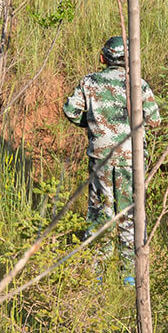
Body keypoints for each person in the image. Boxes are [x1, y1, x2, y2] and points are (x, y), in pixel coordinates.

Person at [63, 36, 161, 285]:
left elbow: (70, 110)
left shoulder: (89, 82)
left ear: (102, 57)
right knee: (130, 214)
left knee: (100, 214)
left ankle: (96, 275)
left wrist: (94, 125)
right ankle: (130, 277)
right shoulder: (138, 83)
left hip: (101, 159)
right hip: (132, 161)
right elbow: (154, 120)